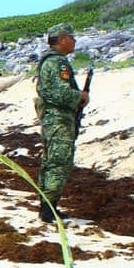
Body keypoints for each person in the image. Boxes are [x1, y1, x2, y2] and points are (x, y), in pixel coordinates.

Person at [34, 22, 89, 223]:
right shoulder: (57, 63)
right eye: (72, 37)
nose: (74, 41)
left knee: (50, 163)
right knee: (58, 163)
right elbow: (59, 93)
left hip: (53, 120)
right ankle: (49, 210)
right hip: (59, 120)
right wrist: (80, 96)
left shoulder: (50, 61)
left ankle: (47, 207)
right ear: (63, 39)